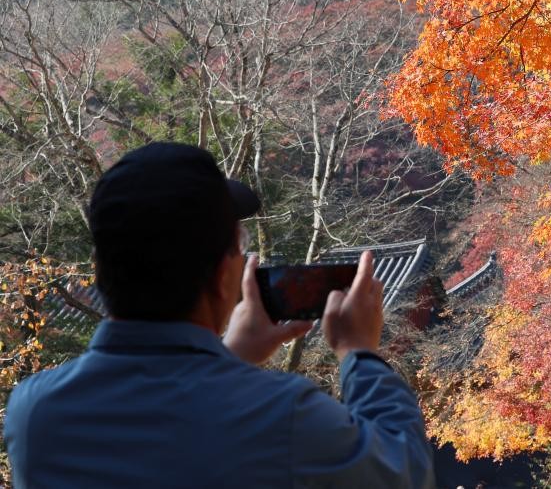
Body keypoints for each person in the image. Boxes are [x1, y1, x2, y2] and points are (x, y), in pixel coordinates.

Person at [3, 142, 435, 488]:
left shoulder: (34, 412)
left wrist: (230, 354)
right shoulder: (284, 416)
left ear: (98, 269)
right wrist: (359, 353)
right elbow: (406, 470)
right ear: (223, 273)